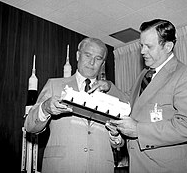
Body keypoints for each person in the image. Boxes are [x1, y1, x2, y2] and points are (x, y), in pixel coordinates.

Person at [107, 19, 187, 173]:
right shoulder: (144, 74)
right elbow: (130, 101)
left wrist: (139, 130)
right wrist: (108, 87)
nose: (142, 51)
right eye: (141, 45)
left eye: (149, 46)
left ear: (168, 46)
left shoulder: (185, 75)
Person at [24, 37, 127, 173]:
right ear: (78, 55)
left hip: (101, 166)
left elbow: (120, 142)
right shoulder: (54, 85)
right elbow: (30, 126)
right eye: (88, 55)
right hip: (61, 167)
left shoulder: (112, 95)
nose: (92, 62)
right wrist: (45, 108)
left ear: (103, 63)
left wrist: (115, 136)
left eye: (98, 58)